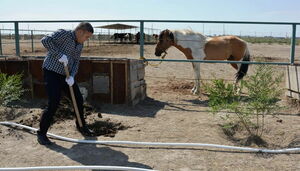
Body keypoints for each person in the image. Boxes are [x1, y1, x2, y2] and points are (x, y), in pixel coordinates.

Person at [37, 22, 94, 145]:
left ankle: (81, 125)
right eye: (86, 37)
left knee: (78, 99)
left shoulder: (80, 44)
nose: (86, 39)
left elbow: (76, 61)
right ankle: (41, 133)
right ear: (80, 32)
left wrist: (72, 76)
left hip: (66, 76)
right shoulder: (64, 34)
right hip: (51, 72)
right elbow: (45, 40)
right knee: (54, 102)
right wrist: (59, 55)